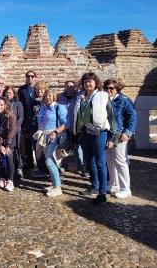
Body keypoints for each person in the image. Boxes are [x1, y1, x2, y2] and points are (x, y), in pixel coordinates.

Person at [74, 72, 116, 205]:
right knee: (89, 162)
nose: (88, 83)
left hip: (99, 133)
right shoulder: (80, 97)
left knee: (100, 162)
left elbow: (111, 116)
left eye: (90, 81)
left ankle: (102, 193)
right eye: (86, 81)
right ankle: (94, 185)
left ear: (95, 83)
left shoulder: (103, 96)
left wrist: (111, 137)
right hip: (84, 133)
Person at [103, 79, 137, 199]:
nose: (109, 90)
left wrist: (127, 133)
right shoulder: (104, 99)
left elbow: (132, 117)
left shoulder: (124, 100)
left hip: (119, 134)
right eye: (107, 88)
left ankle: (125, 188)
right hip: (106, 134)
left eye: (111, 88)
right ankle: (113, 184)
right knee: (110, 161)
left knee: (120, 161)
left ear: (117, 89)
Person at [35, 90, 68, 197]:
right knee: (48, 160)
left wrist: (55, 132)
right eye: (46, 96)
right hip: (44, 137)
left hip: (54, 136)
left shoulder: (58, 107)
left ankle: (58, 188)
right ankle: (54, 184)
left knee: (49, 161)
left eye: (50, 95)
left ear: (54, 97)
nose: (48, 97)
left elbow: (66, 124)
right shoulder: (44, 107)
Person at [57, 80, 89, 177]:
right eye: (68, 86)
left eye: (72, 86)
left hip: (76, 127)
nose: (70, 88)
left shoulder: (79, 97)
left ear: (75, 87)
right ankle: (59, 167)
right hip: (63, 127)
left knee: (78, 149)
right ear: (65, 87)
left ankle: (83, 169)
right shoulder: (60, 97)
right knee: (61, 148)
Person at [0, 98, 17, 192]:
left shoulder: (11, 116)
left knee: (9, 158)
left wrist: (7, 145)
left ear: (5, 106)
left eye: (1, 105)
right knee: (0, 159)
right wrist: (0, 143)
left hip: (10, 141)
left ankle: (10, 180)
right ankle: (2, 178)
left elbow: (12, 131)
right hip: (0, 141)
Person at [18, 70, 38, 174]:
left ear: (35, 77)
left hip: (38, 121)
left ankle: (40, 165)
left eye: (32, 76)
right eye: (28, 76)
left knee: (38, 144)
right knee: (27, 143)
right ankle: (30, 164)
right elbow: (20, 105)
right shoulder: (22, 89)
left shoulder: (39, 88)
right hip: (26, 120)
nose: (30, 78)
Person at [3, 86, 24, 180]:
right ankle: (7, 168)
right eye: (7, 93)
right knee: (7, 148)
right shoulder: (3, 103)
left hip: (15, 130)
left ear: (14, 94)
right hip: (5, 131)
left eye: (10, 93)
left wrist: (15, 128)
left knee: (16, 149)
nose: (9, 94)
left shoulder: (18, 103)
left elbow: (21, 118)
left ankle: (19, 168)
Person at [30, 81, 50, 178]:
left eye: (41, 89)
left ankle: (49, 170)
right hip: (35, 128)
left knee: (47, 149)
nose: (39, 91)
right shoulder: (33, 101)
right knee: (37, 149)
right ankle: (41, 169)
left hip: (47, 129)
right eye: (37, 89)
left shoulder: (49, 100)